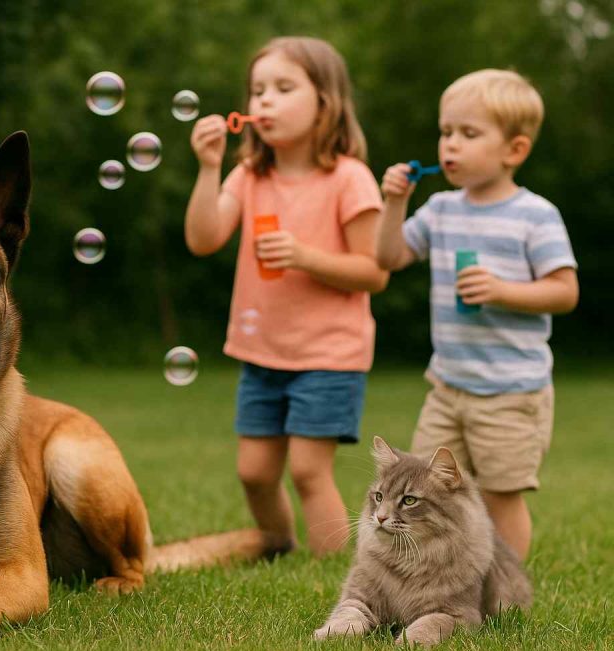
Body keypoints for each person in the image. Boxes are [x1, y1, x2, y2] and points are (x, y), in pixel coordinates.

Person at [184, 36, 387, 556]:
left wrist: (304, 256)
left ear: (326, 103)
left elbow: (374, 271)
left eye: (282, 88)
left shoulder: (350, 179)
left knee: (307, 469)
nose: (264, 101)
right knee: (253, 472)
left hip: (329, 353)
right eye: (256, 90)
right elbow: (203, 238)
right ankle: (282, 550)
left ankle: (333, 567)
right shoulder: (250, 176)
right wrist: (209, 168)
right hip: (263, 350)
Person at [375, 69, 579, 560]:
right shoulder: (441, 209)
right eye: (446, 132)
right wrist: (394, 203)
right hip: (448, 386)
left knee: (502, 495)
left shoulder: (535, 215)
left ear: (515, 150)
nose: (451, 145)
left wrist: (503, 290)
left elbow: (565, 291)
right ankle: (426, 580)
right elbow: (388, 257)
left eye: (469, 134)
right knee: (425, 488)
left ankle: (504, 592)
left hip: (512, 391)